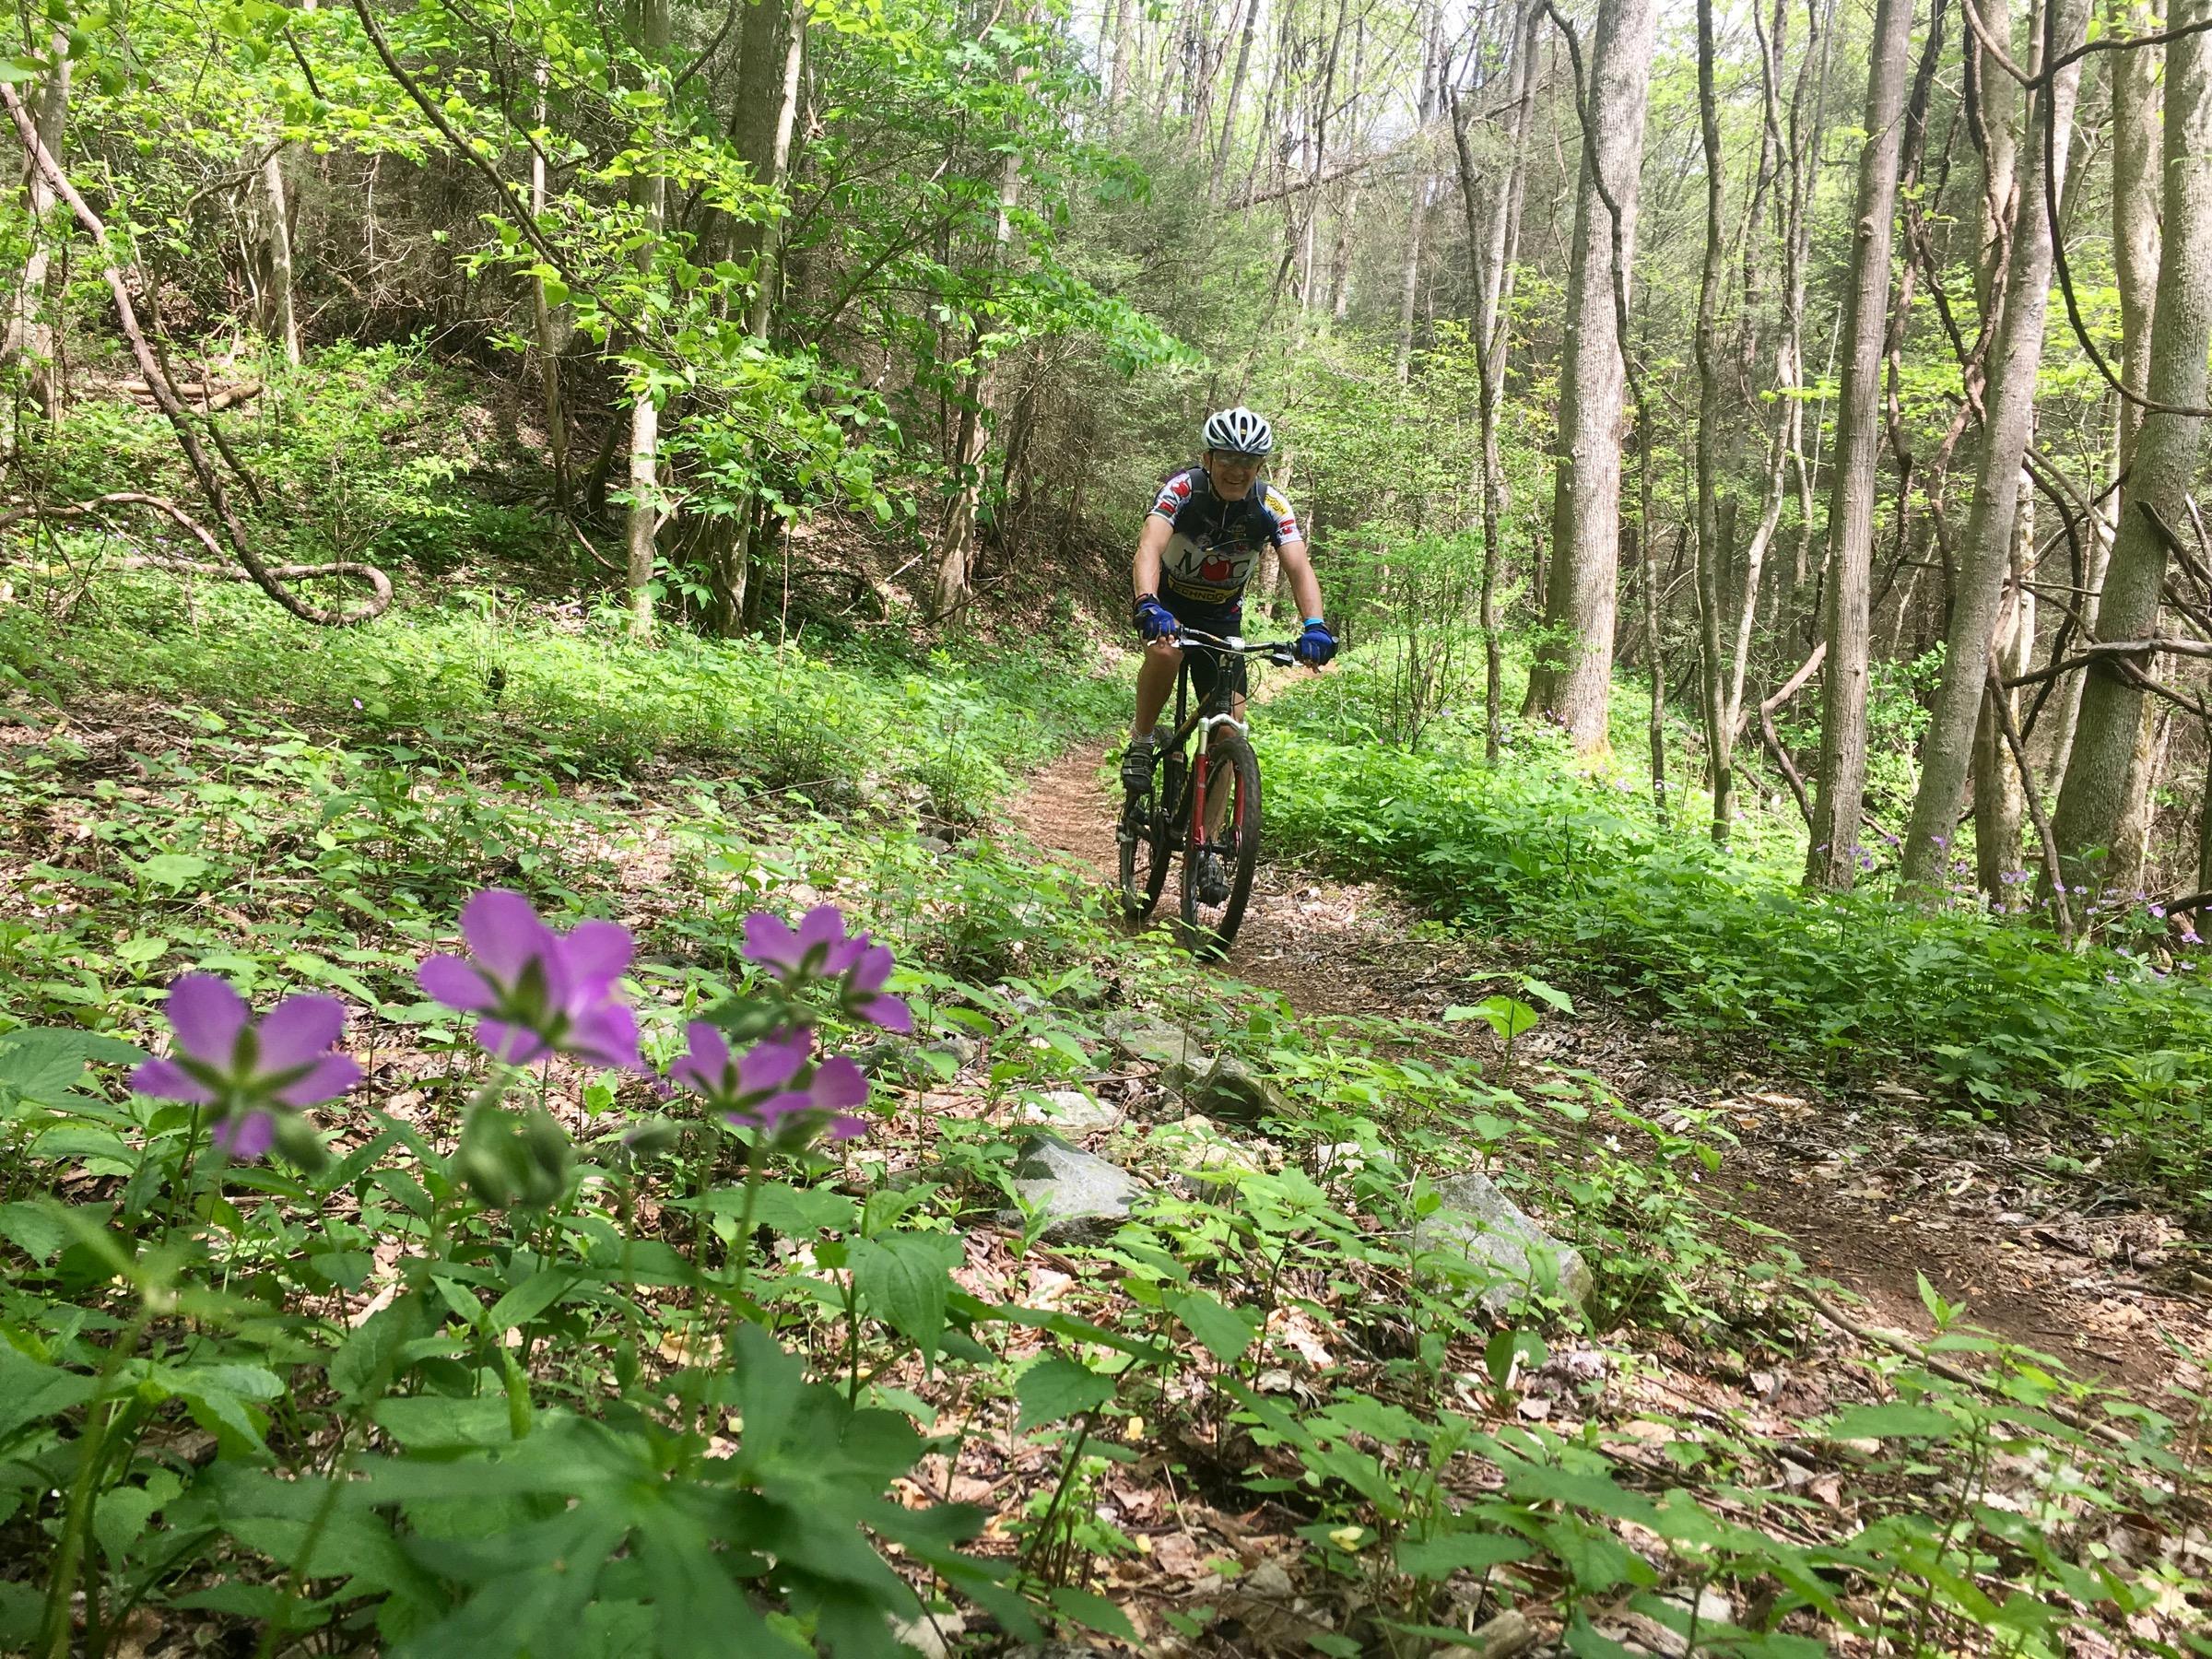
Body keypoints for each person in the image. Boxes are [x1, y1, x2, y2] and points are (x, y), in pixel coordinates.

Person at [1122, 406, 1335, 793]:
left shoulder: (1272, 505)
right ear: (1208, 459)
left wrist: (1314, 625)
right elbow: (1149, 547)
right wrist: (1147, 601)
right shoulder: (1184, 489)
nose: (1237, 470)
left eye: (1249, 461)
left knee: (1228, 733)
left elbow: (1299, 567)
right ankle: (1142, 740)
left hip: (1222, 618)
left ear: (1260, 465)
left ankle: (1208, 848)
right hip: (1168, 606)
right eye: (1228, 458)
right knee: (1166, 652)